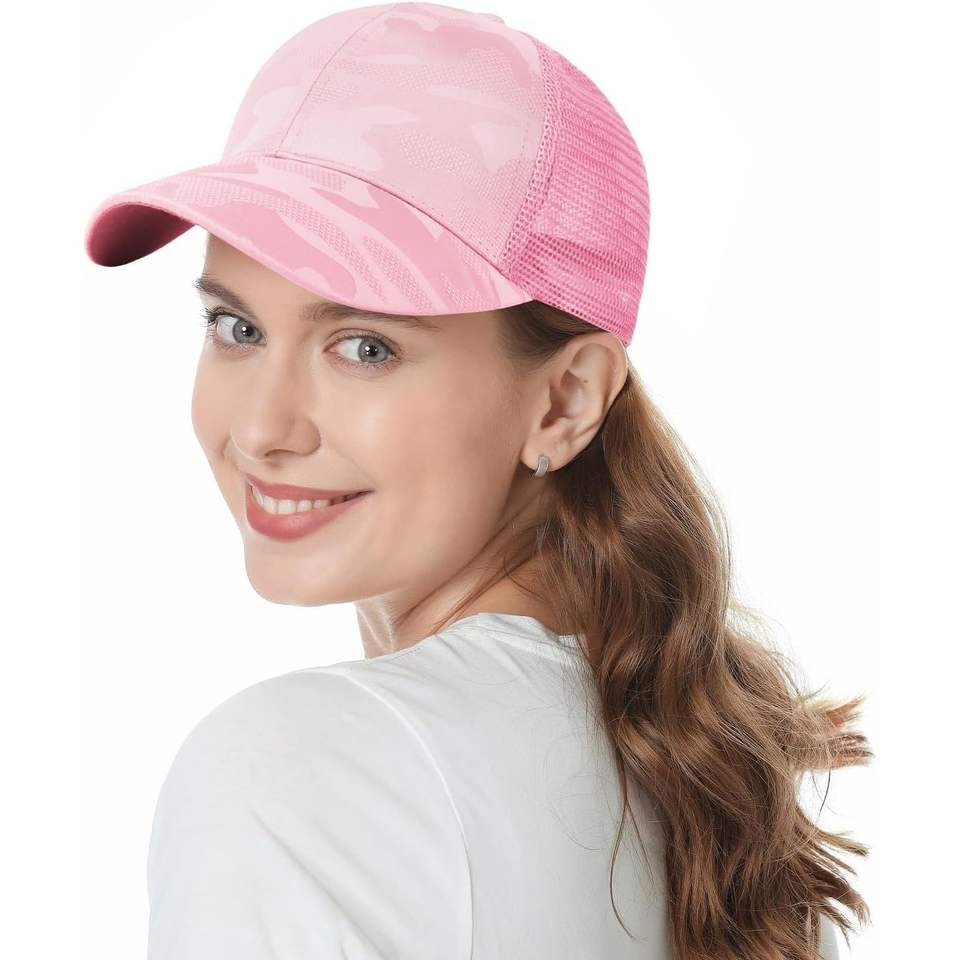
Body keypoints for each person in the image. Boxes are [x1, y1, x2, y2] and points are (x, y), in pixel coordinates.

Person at [83, 4, 871, 958]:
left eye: (365, 346)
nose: (260, 429)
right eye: (237, 328)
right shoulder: (705, 785)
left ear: (565, 401)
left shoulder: (300, 768)